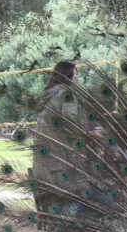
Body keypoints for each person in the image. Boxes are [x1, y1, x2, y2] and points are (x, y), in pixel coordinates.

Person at [32, 61, 88, 216]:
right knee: (92, 194)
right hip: (60, 167)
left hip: (42, 169)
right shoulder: (66, 94)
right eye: (75, 76)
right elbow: (71, 124)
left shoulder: (48, 96)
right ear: (69, 77)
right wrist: (90, 135)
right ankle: (72, 220)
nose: (76, 80)